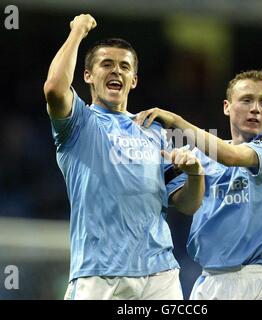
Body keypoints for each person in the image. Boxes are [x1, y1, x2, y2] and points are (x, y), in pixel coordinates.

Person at [43, 14, 205, 300]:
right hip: (98, 273)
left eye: (124, 67)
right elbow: (55, 88)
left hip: (159, 274)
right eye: (106, 64)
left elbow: (189, 205)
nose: (116, 71)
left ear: (134, 80)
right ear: (88, 76)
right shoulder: (79, 122)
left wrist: (195, 173)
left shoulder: (154, 130)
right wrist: (78, 32)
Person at [135, 70, 262, 300]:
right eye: (246, 100)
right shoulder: (197, 156)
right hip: (211, 282)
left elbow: (231, 156)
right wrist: (194, 174)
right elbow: (187, 206)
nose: (255, 108)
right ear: (227, 107)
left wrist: (175, 122)